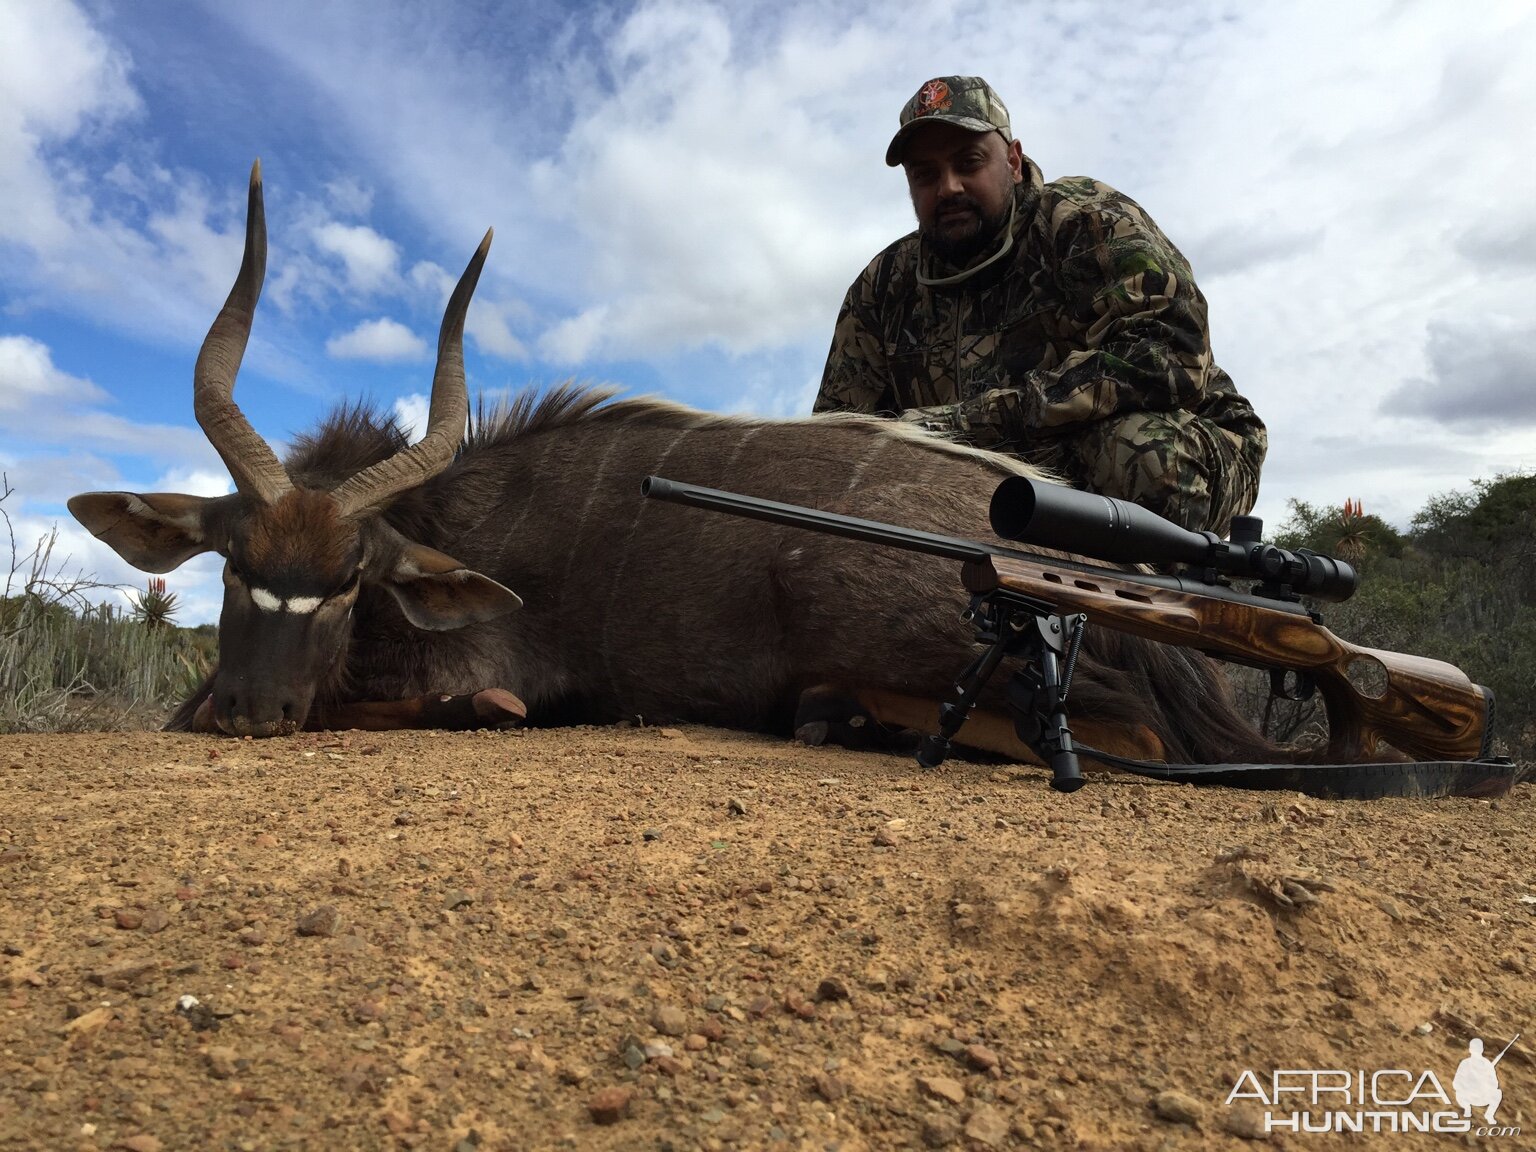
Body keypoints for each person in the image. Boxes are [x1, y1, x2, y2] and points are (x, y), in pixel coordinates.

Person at [815, 75, 1267, 534]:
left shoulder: (1085, 219)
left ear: (1012, 161)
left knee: (1139, 453)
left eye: (968, 163)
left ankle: (1159, 598)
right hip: (990, 469)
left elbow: (1172, 356)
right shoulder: (882, 284)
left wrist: (965, 423)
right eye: (925, 174)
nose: (948, 187)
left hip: (1178, 441)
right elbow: (836, 441)